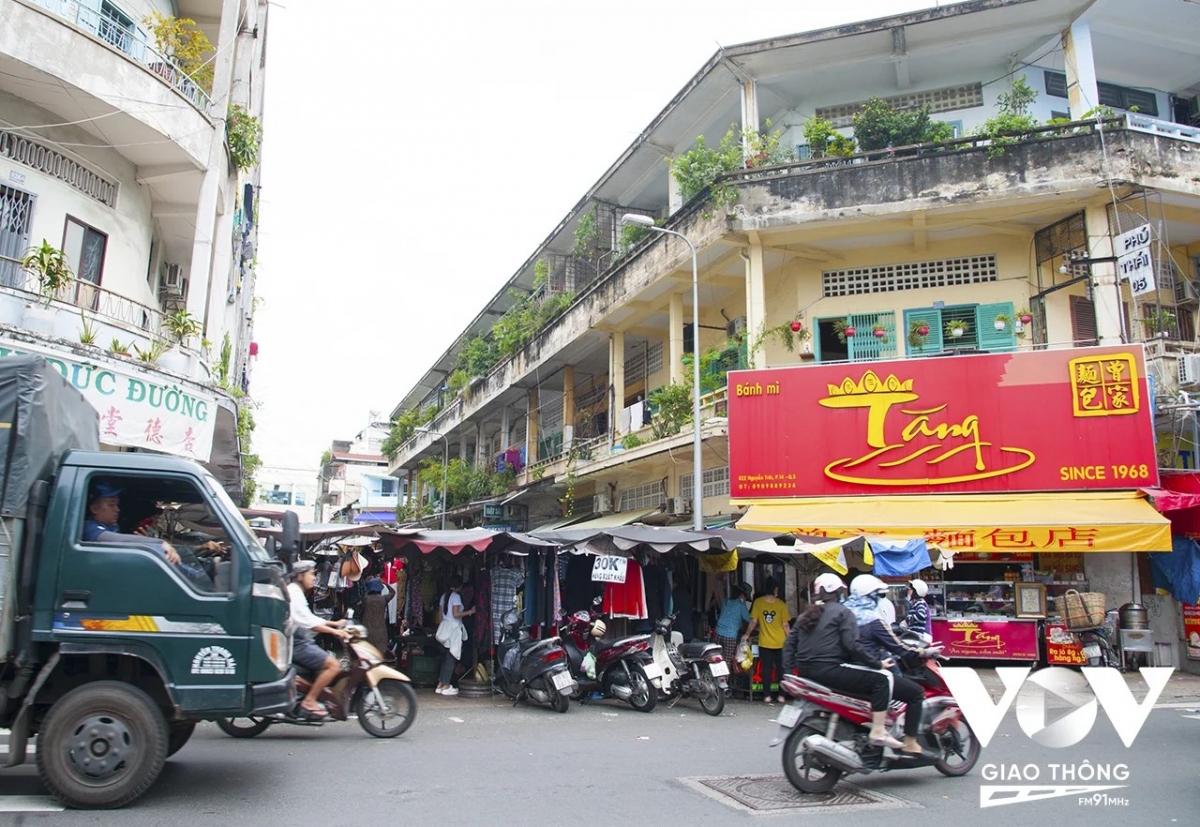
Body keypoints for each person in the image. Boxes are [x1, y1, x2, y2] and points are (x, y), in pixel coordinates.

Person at [782, 573, 903, 749]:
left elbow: (788, 646)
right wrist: (877, 664)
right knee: (882, 680)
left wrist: (788, 672)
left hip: (805, 673)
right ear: (838, 592)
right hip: (830, 671)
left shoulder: (805, 615)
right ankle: (878, 730)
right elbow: (852, 645)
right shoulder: (843, 613)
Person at [846, 575, 932, 755]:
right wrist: (922, 653)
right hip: (872, 670)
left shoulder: (843, 614)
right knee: (916, 693)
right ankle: (909, 742)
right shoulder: (872, 621)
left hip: (846, 671)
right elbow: (898, 647)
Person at [84, 482, 218, 585]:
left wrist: (199, 549)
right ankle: (194, 577)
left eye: (117, 505)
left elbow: (169, 551)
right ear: (94, 508)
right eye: (111, 505)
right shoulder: (89, 528)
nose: (117, 509)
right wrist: (158, 543)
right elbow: (110, 539)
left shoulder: (112, 527)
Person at [288, 560, 350, 719]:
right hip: (296, 643)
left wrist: (334, 623)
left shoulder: (296, 592)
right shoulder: (294, 593)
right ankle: (309, 701)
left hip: (299, 640)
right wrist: (335, 632)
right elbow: (308, 622)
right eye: (311, 574)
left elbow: (309, 618)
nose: (315, 578)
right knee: (333, 665)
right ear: (300, 576)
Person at [744, 577, 791, 703]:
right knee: (781, 669)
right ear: (775, 589)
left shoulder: (758, 603)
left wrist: (747, 634)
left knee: (766, 669)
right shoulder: (781, 604)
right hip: (780, 642)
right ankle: (781, 696)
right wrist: (791, 639)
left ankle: (767, 696)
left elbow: (753, 621)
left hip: (765, 642)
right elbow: (785, 625)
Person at [434, 575, 476, 696]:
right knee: (451, 657)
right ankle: (446, 685)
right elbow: (456, 614)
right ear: (460, 586)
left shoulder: (444, 596)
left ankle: (440, 684)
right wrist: (470, 612)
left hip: (445, 627)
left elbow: (441, 615)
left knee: (447, 657)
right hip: (454, 629)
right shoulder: (456, 597)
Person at [715, 582, 753, 669]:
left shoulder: (726, 601)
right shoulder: (741, 606)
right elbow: (750, 620)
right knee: (726, 661)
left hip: (718, 633)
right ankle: (724, 681)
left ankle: (715, 679)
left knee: (717, 659)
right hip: (730, 636)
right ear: (743, 595)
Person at [363, 573, 395, 654]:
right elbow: (393, 592)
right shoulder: (383, 599)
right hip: (381, 630)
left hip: (368, 629)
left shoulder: (366, 599)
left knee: (368, 652)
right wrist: (385, 583)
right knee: (380, 652)